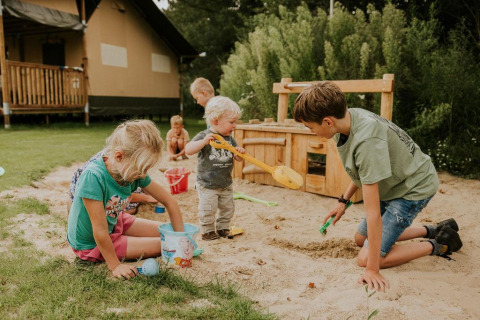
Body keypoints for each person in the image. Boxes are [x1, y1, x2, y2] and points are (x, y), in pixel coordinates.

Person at [293, 81, 462, 292]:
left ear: (327, 121)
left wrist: (372, 269)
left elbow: (373, 214)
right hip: (392, 183)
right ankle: (433, 229)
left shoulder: (367, 142)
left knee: (364, 258)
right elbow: (360, 172)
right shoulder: (346, 119)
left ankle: (441, 244)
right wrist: (343, 202)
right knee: (360, 239)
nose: (310, 131)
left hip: (411, 188)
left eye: (310, 127)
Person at [67, 120, 185, 280]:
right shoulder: (93, 177)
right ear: (119, 156)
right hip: (93, 243)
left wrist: (181, 238)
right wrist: (115, 265)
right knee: (166, 244)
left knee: (168, 233)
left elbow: (169, 201)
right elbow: (100, 231)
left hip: (115, 220)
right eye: (140, 168)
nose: (143, 174)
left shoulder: (133, 171)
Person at [185, 96, 245, 240]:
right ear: (216, 121)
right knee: (208, 209)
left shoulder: (229, 138)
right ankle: (207, 231)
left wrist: (239, 154)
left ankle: (223, 228)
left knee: (228, 208)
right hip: (207, 184)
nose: (234, 125)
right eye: (232, 122)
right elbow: (188, 149)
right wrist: (203, 142)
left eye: (235, 122)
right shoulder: (204, 136)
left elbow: (237, 158)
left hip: (225, 183)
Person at [68, 151, 157, 215]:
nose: (143, 173)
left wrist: (153, 193)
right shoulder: (100, 173)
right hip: (89, 206)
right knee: (131, 209)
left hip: (104, 199)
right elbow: (118, 195)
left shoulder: (124, 161)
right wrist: (147, 198)